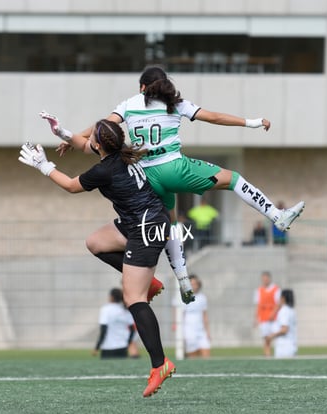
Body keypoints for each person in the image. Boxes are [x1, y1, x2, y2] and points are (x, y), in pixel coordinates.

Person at [40, 65, 305, 303]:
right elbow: (213, 117)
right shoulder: (174, 104)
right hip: (175, 168)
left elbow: (102, 128)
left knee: (171, 222)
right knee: (233, 179)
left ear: (142, 87)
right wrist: (252, 122)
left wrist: (72, 137)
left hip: (146, 178)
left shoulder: (129, 103)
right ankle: (277, 216)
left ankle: (183, 280)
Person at [18, 119, 175, 397]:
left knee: (133, 300)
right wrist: (63, 132)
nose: (87, 137)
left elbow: (70, 185)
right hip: (139, 221)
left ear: (99, 144)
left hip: (145, 228)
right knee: (95, 242)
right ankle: (147, 284)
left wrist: (43, 165)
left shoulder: (105, 169)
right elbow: (85, 143)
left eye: (92, 135)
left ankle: (159, 364)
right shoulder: (120, 153)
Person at [92, 288, 135, 359]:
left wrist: (97, 347)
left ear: (111, 297)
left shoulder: (105, 309)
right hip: (122, 347)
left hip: (108, 347)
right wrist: (128, 343)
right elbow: (132, 330)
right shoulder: (125, 310)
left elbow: (103, 329)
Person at [178, 274, 211, 358]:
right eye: (191, 284)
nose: (194, 286)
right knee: (193, 355)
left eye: (195, 284)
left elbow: (204, 315)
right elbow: (181, 314)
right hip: (189, 329)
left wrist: (207, 331)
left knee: (206, 351)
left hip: (200, 329)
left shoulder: (202, 297)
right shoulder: (184, 298)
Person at [253, 271, 281, 357]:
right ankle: (267, 354)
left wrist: (273, 313)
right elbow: (257, 305)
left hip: (274, 318)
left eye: (266, 279)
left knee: (274, 336)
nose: (265, 281)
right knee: (266, 338)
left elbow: (278, 303)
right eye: (263, 279)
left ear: (269, 279)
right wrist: (255, 318)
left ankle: (276, 353)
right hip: (264, 318)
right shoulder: (259, 290)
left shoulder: (276, 289)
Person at [265, 289, 297, 358]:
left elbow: (284, 329)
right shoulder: (292, 310)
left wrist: (271, 335)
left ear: (283, 298)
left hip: (284, 347)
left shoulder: (284, 310)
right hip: (291, 345)